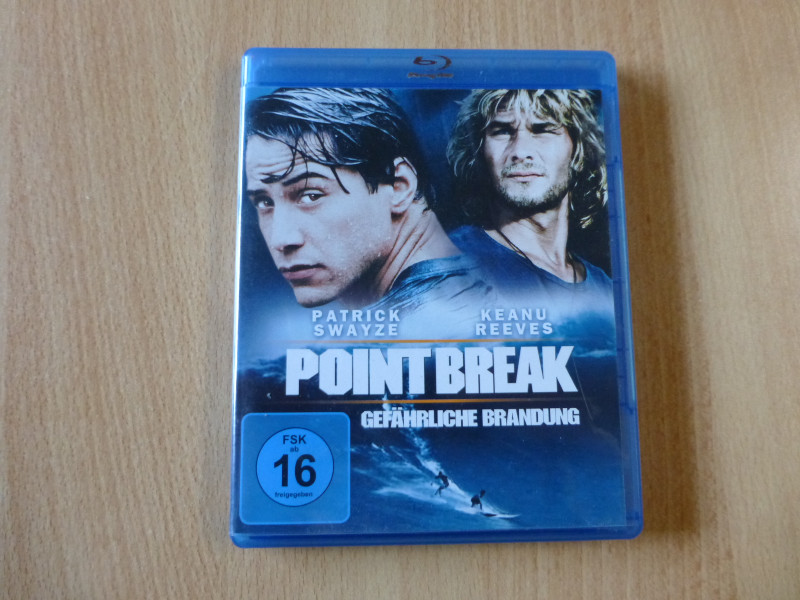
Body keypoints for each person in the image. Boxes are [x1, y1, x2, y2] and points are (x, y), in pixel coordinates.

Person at [245, 88, 488, 324]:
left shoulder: (431, 329)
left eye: (310, 196)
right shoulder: (475, 279)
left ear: (399, 186)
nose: (281, 239)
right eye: (265, 202)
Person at [446, 89, 614, 311]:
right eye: (502, 131)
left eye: (542, 130)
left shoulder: (605, 289)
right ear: (479, 153)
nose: (520, 151)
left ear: (578, 151)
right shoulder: (449, 266)